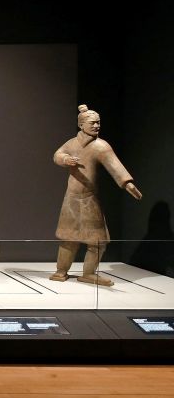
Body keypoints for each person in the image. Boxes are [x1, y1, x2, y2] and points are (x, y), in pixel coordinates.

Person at [50, 104, 142, 286]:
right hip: (72, 198)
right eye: (92, 123)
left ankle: (89, 273)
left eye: (98, 122)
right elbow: (57, 154)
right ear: (81, 124)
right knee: (68, 238)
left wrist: (127, 183)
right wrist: (65, 159)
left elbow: (115, 165)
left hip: (90, 199)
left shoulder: (101, 146)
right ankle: (61, 271)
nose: (97, 126)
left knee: (98, 241)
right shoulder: (72, 143)